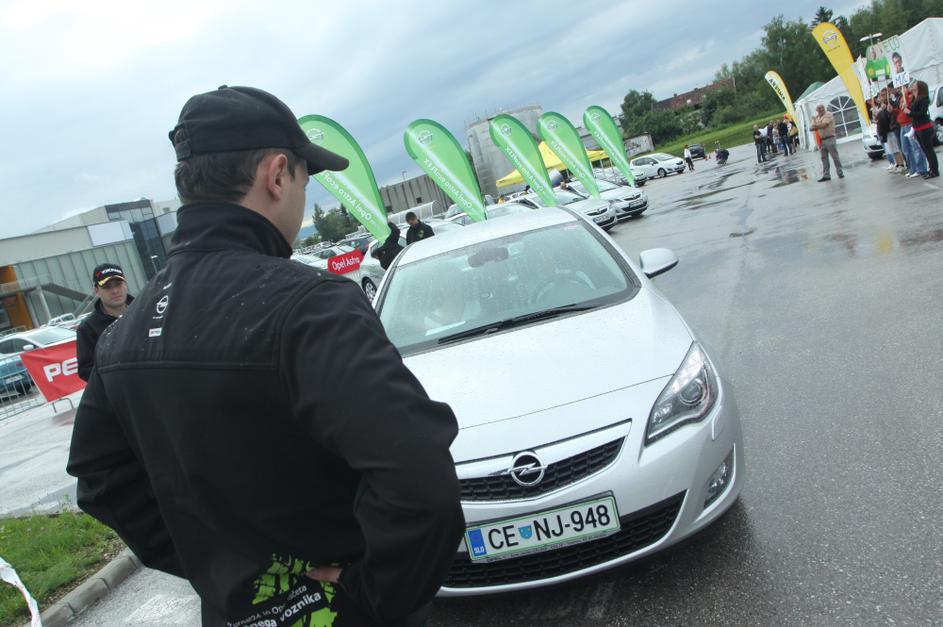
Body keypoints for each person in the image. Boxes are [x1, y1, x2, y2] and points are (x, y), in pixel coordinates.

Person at [66, 85, 464, 627]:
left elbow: (101, 481)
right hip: (344, 609)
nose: (302, 196)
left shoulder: (122, 336)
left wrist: (219, 567)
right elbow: (421, 485)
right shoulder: (312, 306)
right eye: (305, 179)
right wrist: (371, 596)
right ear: (277, 175)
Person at [75, 263, 134, 381]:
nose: (115, 290)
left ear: (125, 285)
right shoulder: (88, 328)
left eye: (118, 284)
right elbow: (86, 370)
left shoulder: (145, 311)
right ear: (97, 290)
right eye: (107, 287)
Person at [906, 80, 939, 179]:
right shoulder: (914, 98)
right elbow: (912, 113)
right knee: (925, 150)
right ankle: (931, 169)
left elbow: (921, 113)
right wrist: (907, 110)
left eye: (915, 84)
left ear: (919, 87)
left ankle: (934, 170)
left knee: (929, 150)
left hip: (924, 127)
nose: (913, 85)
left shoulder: (924, 99)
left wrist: (910, 112)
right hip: (917, 127)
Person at [899, 82, 929, 178]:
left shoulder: (912, 96)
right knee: (905, 148)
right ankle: (912, 168)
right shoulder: (902, 97)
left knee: (916, 147)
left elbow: (913, 108)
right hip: (902, 124)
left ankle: (921, 169)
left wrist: (907, 102)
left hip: (909, 123)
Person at [809, 103, 844, 181]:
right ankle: (826, 175)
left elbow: (824, 125)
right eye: (819, 108)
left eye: (822, 107)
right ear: (816, 110)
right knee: (824, 158)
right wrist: (814, 122)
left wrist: (815, 125)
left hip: (830, 138)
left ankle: (840, 173)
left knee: (835, 157)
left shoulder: (828, 114)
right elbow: (810, 128)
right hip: (821, 140)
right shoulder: (817, 117)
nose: (821, 109)